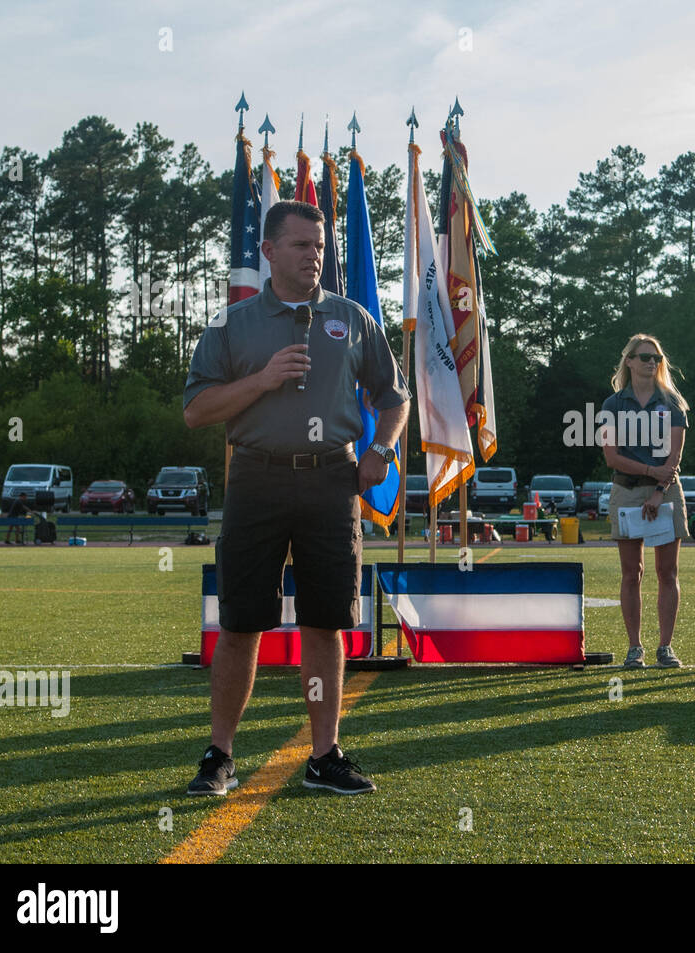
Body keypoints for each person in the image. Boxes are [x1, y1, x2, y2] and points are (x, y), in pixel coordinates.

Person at [182, 201, 409, 796]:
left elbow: (395, 396)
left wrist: (381, 451)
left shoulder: (353, 318)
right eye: (302, 244)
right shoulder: (230, 325)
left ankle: (324, 754)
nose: (315, 255)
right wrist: (262, 379)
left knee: (325, 621)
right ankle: (220, 754)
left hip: (332, 480)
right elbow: (195, 410)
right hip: (256, 478)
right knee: (241, 623)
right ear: (269, 252)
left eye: (320, 244)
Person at [600, 334, 689, 669]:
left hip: (664, 491)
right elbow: (612, 457)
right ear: (629, 361)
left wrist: (656, 491)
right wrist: (651, 472)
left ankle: (665, 647)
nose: (651, 362)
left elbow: (674, 458)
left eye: (656, 358)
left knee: (667, 572)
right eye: (644, 357)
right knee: (631, 573)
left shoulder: (672, 402)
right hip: (626, 491)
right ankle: (634, 647)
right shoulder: (612, 405)